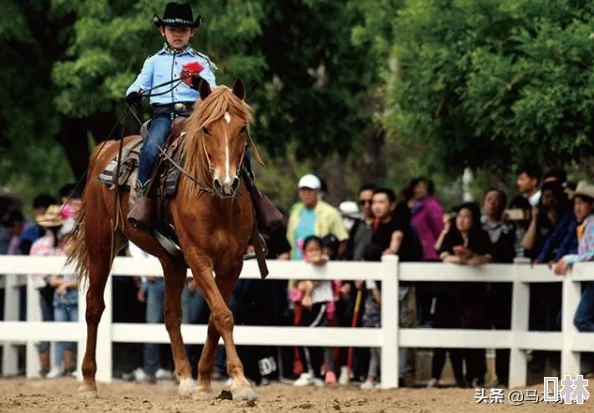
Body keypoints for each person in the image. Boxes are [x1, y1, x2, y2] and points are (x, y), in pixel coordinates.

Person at [125, 2, 280, 233]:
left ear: (192, 32)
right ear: (162, 31)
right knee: (151, 147)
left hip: (194, 116)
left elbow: (216, 93)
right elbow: (138, 84)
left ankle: (254, 195)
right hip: (164, 115)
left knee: (238, 147)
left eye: (183, 31)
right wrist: (134, 93)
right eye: (172, 30)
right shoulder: (153, 61)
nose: (178, 35)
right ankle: (143, 197)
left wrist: (204, 86)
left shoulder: (202, 61)